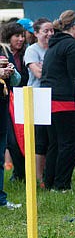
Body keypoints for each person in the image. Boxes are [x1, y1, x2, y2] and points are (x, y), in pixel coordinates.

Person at [40, 10, 75, 191]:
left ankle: (49, 181)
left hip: (50, 102)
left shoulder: (53, 46)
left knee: (54, 144)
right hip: (67, 103)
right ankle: (61, 185)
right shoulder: (72, 46)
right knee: (69, 144)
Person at [24, 18, 54, 184]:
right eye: (45, 31)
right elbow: (38, 73)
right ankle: (38, 177)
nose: (50, 34)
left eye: (51, 30)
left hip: (53, 97)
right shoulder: (32, 51)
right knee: (41, 140)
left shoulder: (54, 48)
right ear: (36, 33)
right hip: (37, 97)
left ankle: (49, 174)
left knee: (52, 139)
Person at [0, 40, 22, 209]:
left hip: (3, 111)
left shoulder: (4, 50)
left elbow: (16, 81)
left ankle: (1, 199)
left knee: (0, 158)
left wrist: (11, 72)